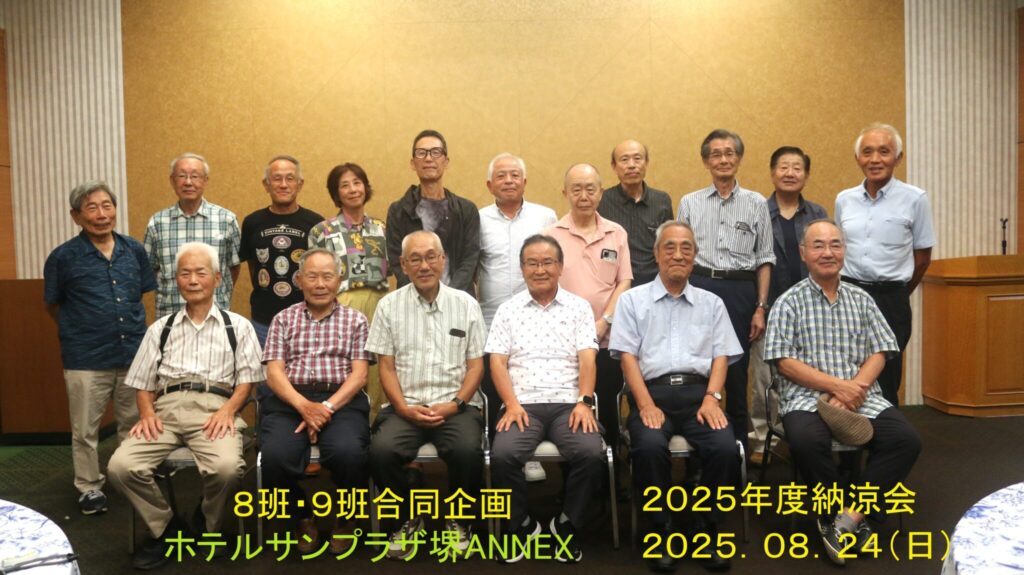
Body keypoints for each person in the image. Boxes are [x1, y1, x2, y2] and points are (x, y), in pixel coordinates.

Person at [764, 219, 922, 566]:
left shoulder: (862, 299)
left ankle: (848, 518)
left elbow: (881, 351)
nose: (828, 252)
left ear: (844, 251)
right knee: (807, 441)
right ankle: (834, 514)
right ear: (803, 253)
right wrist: (836, 387)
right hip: (806, 398)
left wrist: (855, 388)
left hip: (861, 396)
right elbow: (784, 363)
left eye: (835, 244)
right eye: (818, 245)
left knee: (906, 440)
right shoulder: (788, 302)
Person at [107, 242, 263, 570]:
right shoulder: (159, 329)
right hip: (164, 410)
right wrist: (147, 413)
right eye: (185, 273)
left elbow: (247, 381)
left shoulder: (238, 326)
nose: (192, 280)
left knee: (226, 469)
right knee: (121, 467)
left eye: (200, 273)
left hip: (215, 408)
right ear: (176, 280)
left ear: (217, 279)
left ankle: (208, 524)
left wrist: (228, 410)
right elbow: (143, 383)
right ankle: (165, 528)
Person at [610, 221, 742, 572]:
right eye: (670, 247)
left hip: (700, 394)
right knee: (649, 446)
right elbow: (627, 358)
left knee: (725, 448)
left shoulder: (712, 303)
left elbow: (721, 356)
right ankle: (662, 529)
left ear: (695, 256)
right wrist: (644, 404)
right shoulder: (632, 301)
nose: (678, 254)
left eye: (686, 247)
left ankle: (705, 527)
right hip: (652, 393)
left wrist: (713, 397)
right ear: (656, 254)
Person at [366, 231, 486, 559]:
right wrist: (403, 408)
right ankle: (407, 517)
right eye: (415, 259)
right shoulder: (389, 306)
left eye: (431, 257)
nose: (424, 265)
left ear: (443, 260)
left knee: (467, 451)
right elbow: (386, 367)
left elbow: (476, 366)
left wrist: (456, 404)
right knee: (380, 451)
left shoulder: (466, 304)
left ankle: (459, 520)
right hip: (405, 406)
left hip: (456, 406)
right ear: (403, 265)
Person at [487, 234, 603, 564]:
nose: (540, 270)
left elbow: (587, 359)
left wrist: (584, 402)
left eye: (548, 262)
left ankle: (566, 523)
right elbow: (497, 362)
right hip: (522, 404)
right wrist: (511, 404)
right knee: (503, 454)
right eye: (532, 263)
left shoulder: (579, 308)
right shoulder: (508, 310)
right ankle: (521, 525)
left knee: (591, 452)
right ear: (522, 268)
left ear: (560, 267)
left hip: (569, 403)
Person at [43, 180, 156, 515]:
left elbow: (140, 294)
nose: (101, 214)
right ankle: (89, 487)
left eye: (107, 206)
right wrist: (83, 328)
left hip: (132, 353)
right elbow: (53, 304)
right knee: (85, 429)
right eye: (91, 208)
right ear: (76, 216)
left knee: (133, 423)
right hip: (85, 357)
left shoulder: (133, 250)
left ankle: (132, 476)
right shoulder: (63, 257)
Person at [260, 248, 371, 555]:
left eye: (327, 276)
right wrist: (303, 406)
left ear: (339, 280)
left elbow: (360, 375)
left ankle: (346, 520)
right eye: (312, 277)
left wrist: (325, 408)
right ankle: (301, 517)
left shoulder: (356, 320)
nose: (320, 284)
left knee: (349, 453)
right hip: (290, 400)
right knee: (275, 456)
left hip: (341, 400)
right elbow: (274, 373)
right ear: (299, 280)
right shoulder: (283, 319)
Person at [677, 129, 774, 452]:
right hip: (699, 286)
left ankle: (737, 452)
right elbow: (680, 255)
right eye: (715, 154)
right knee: (699, 367)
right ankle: (700, 453)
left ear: (739, 158)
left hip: (740, 291)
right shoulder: (690, 202)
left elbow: (765, 258)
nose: (723, 159)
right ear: (706, 161)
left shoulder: (756, 203)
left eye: (729, 153)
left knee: (736, 371)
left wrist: (760, 306)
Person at [835, 123, 936, 406]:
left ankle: (886, 431)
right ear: (858, 158)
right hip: (850, 295)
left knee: (887, 375)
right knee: (848, 369)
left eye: (884, 151)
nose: (875, 159)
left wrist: (899, 291)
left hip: (892, 298)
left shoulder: (915, 199)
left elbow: (922, 258)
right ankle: (849, 432)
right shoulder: (844, 200)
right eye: (867, 152)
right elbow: (840, 248)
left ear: (898, 158)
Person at [477, 153, 556, 479]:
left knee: (529, 379)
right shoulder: (478, 219)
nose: (508, 180)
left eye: (514, 175)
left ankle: (529, 451)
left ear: (525, 181)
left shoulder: (545, 216)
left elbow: (553, 264)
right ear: (489, 184)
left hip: (536, 315)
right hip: (490, 316)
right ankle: (504, 452)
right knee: (495, 385)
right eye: (501, 175)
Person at [545, 163, 632, 458]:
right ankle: (573, 475)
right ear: (565, 193)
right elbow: (545, 286)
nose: (584, 196)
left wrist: (604, 321)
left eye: (590, 189)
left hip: (607, 339)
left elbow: (624, 282)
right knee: (570, 415)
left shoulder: (616, 233)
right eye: (577, 189)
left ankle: (612, 472)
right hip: (564, 343)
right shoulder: (550, 236)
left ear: (601, 192)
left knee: (607, 407)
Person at [748, 147, 827, 463]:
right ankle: (761, 440)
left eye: (797, 167)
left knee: (812, 374)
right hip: (768, 309)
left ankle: (810, 434)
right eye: (783, 167)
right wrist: (759, 306)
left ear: (806, 175)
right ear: (772, 173)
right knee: (763, 379)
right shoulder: (758, 212)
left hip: (811, 311)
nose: (790, 173)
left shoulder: (817, 214)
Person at [308, 162, 388, 418]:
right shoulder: (322, 231)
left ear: (365, 187)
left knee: (379, 369)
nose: (353, 189)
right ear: (336, 193)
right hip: (341, 306)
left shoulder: (381, 228)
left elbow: (393, 269)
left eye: (357, 183)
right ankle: (345, 423)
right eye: (345, 185)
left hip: (379, 304)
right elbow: (313, 275)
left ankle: (376, 427)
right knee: (346, 367)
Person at [239, 155, 324, 346]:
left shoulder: (316, 223)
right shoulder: (252, 222)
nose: (283, 185)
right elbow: (253, 266)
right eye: (277, 178)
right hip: (263, 320)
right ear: (266, 184)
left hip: (306, 318)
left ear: (300, 184)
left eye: (290, 178)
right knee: (264, 365)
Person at [144, 153, 241, 317]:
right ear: (172, 181)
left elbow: (233, 267)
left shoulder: (226, 220)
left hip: (215, 315)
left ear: (205, 180)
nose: (188, 182)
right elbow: (150, 269)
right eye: (182, 176)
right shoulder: (157, 222)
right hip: (170, 315)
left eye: (195, 176)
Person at [386, 130, 480, 295]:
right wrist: (422, 295)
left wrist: (448, 296)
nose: (429, 158)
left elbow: (470, 259)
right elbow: (397, 261)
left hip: (458, 299)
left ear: (446, 162)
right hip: (413, 300)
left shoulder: (466, 210)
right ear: (413, 163)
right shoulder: (398, 211)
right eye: (421, 153)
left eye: (435, 152)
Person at [598, 139, 674, 287]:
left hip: (653, 283)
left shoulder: (662, 200)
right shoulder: (602, 201)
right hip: (613, 283)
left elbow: (667, 245)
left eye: (637, 158)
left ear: (646, 163)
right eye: (624, 160)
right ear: (614, 166)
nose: (632, 165)